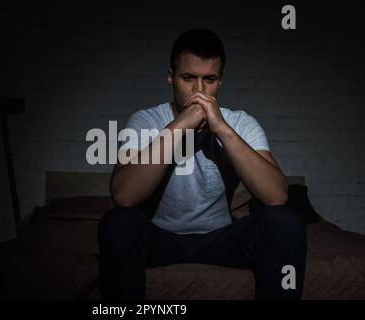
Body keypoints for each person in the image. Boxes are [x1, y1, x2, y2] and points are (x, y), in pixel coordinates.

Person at [98, 28, 307, 300]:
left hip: (220, 239)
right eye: (188, 78)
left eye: (209, 79)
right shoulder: (146, 120)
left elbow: (276, 195)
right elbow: (124, 195)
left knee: (285, 221)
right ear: (170, 77)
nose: (199, 90)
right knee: (118, 222)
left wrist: (222, 129)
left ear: (220, 82)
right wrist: (181, 124)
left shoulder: (241, 122)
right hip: (161, 238)